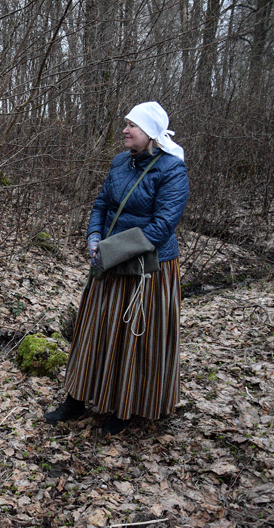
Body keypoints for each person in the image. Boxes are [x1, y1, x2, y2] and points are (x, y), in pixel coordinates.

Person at [45, 101, 189, 435]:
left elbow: (163, 225)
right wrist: (95, 236)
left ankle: (125, 409)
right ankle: (76, 399)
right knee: (93, 330)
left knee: (136, 338)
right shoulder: (120, 162)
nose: (124, 129)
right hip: (109, 261)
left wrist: (112, 251)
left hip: (148, 270)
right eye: (125, 123)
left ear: (150, 133)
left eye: (132, 125)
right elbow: (101, 204)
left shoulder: (172, 170)